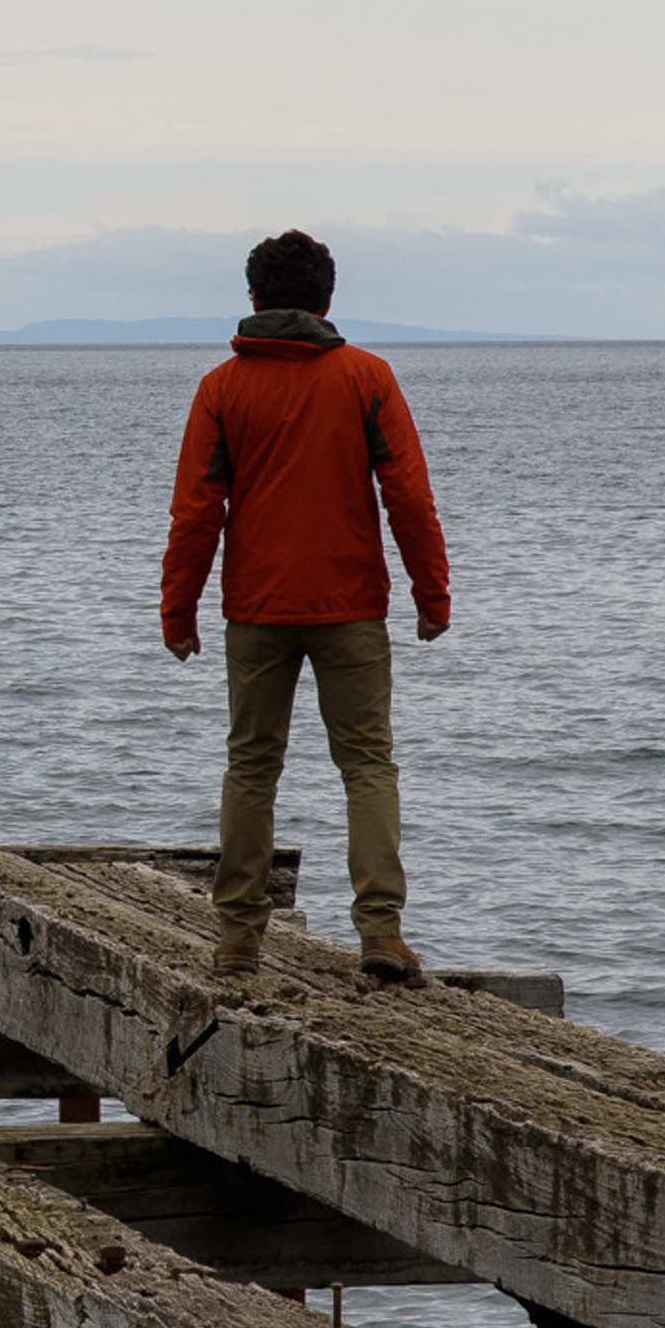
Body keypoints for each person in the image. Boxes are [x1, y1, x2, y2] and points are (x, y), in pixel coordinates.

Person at [160, 231, 450, 982]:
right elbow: (409, 496)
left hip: (256, 608)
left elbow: (197, 511)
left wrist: (178, 607)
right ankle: (381, 932)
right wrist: (431, 591)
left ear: (253, 299)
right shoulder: (367, 378)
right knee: (367, 765)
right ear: (327, 298)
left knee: (252, 767)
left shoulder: (222, 389)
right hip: (351, 605)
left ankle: (237, 940)